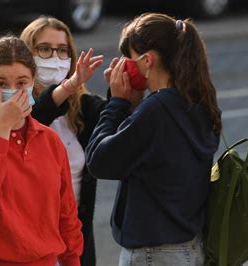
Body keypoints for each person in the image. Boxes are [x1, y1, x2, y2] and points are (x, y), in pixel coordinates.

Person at [85, 13, 221, 265]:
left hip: (152, 254)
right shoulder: (198, 102)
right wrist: (132, 107)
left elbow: (98, 161)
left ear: (147, 60)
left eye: (128, 58)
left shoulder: (156, 110)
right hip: (189, 248)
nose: (123, 66)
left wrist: (116, 103)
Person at [0, 36, 83, 266]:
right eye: (0, 83)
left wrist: (72, 260)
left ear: (32, 83)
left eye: (21, 83)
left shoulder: (49, 139)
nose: (12, 91)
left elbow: (66, 213)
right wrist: (1, 128)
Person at [20, 16, 112, 266]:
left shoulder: (82, 106)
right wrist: (69, 86)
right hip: (29, 241)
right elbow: (36, 118)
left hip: (75, 239)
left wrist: (123, 90)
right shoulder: (14, 106)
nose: (55, 58)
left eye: (62, 50)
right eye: (44, 49)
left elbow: (117, 121)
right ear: (27, 55)